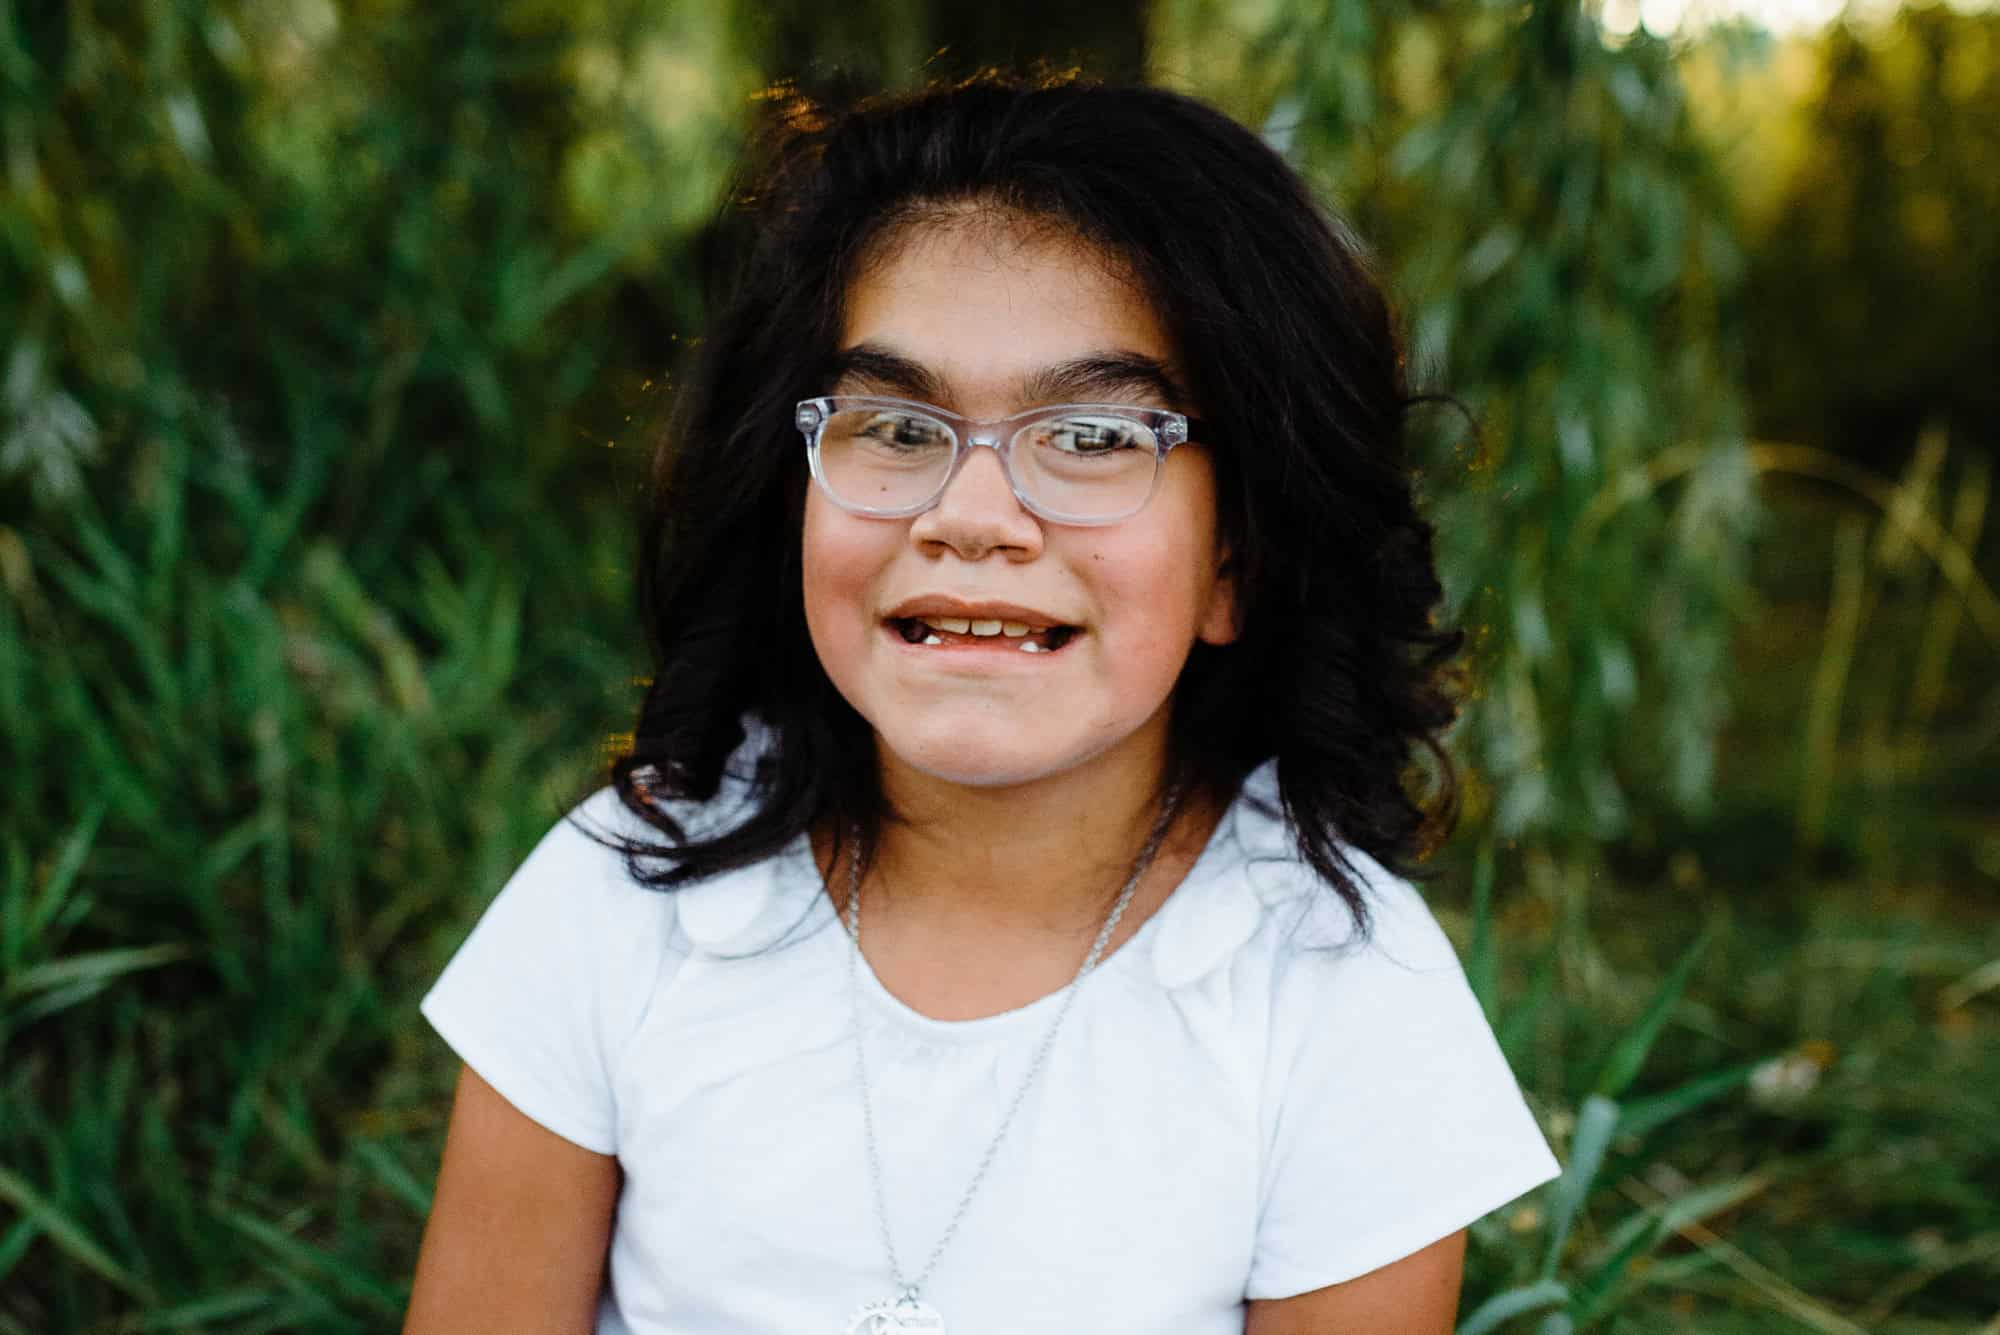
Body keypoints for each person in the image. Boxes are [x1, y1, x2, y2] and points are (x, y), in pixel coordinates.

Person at [403, 72, 1559, 1335]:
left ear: (1236, 560)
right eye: (896, 429)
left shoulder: (1341, 995)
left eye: (1094, 437)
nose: (969, 517)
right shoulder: (627, 891)